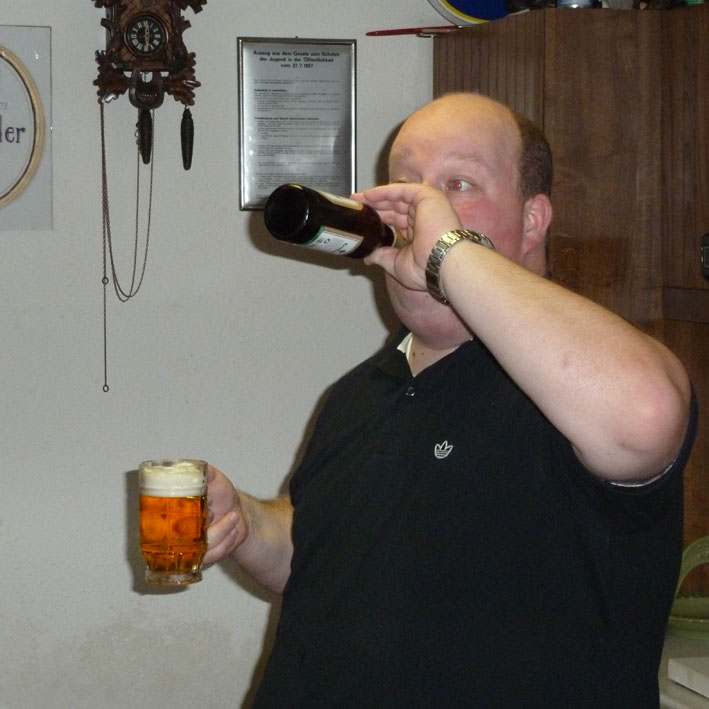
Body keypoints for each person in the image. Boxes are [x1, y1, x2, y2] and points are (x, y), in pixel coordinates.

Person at [205, 93, 696, 707]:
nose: (421, 210)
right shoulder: (358, 394)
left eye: (457, 185)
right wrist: (247, 523)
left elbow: (647, 413)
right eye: (408, 185)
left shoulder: (572, 389)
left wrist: (445, 251)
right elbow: (323, 553)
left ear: (533, 220)